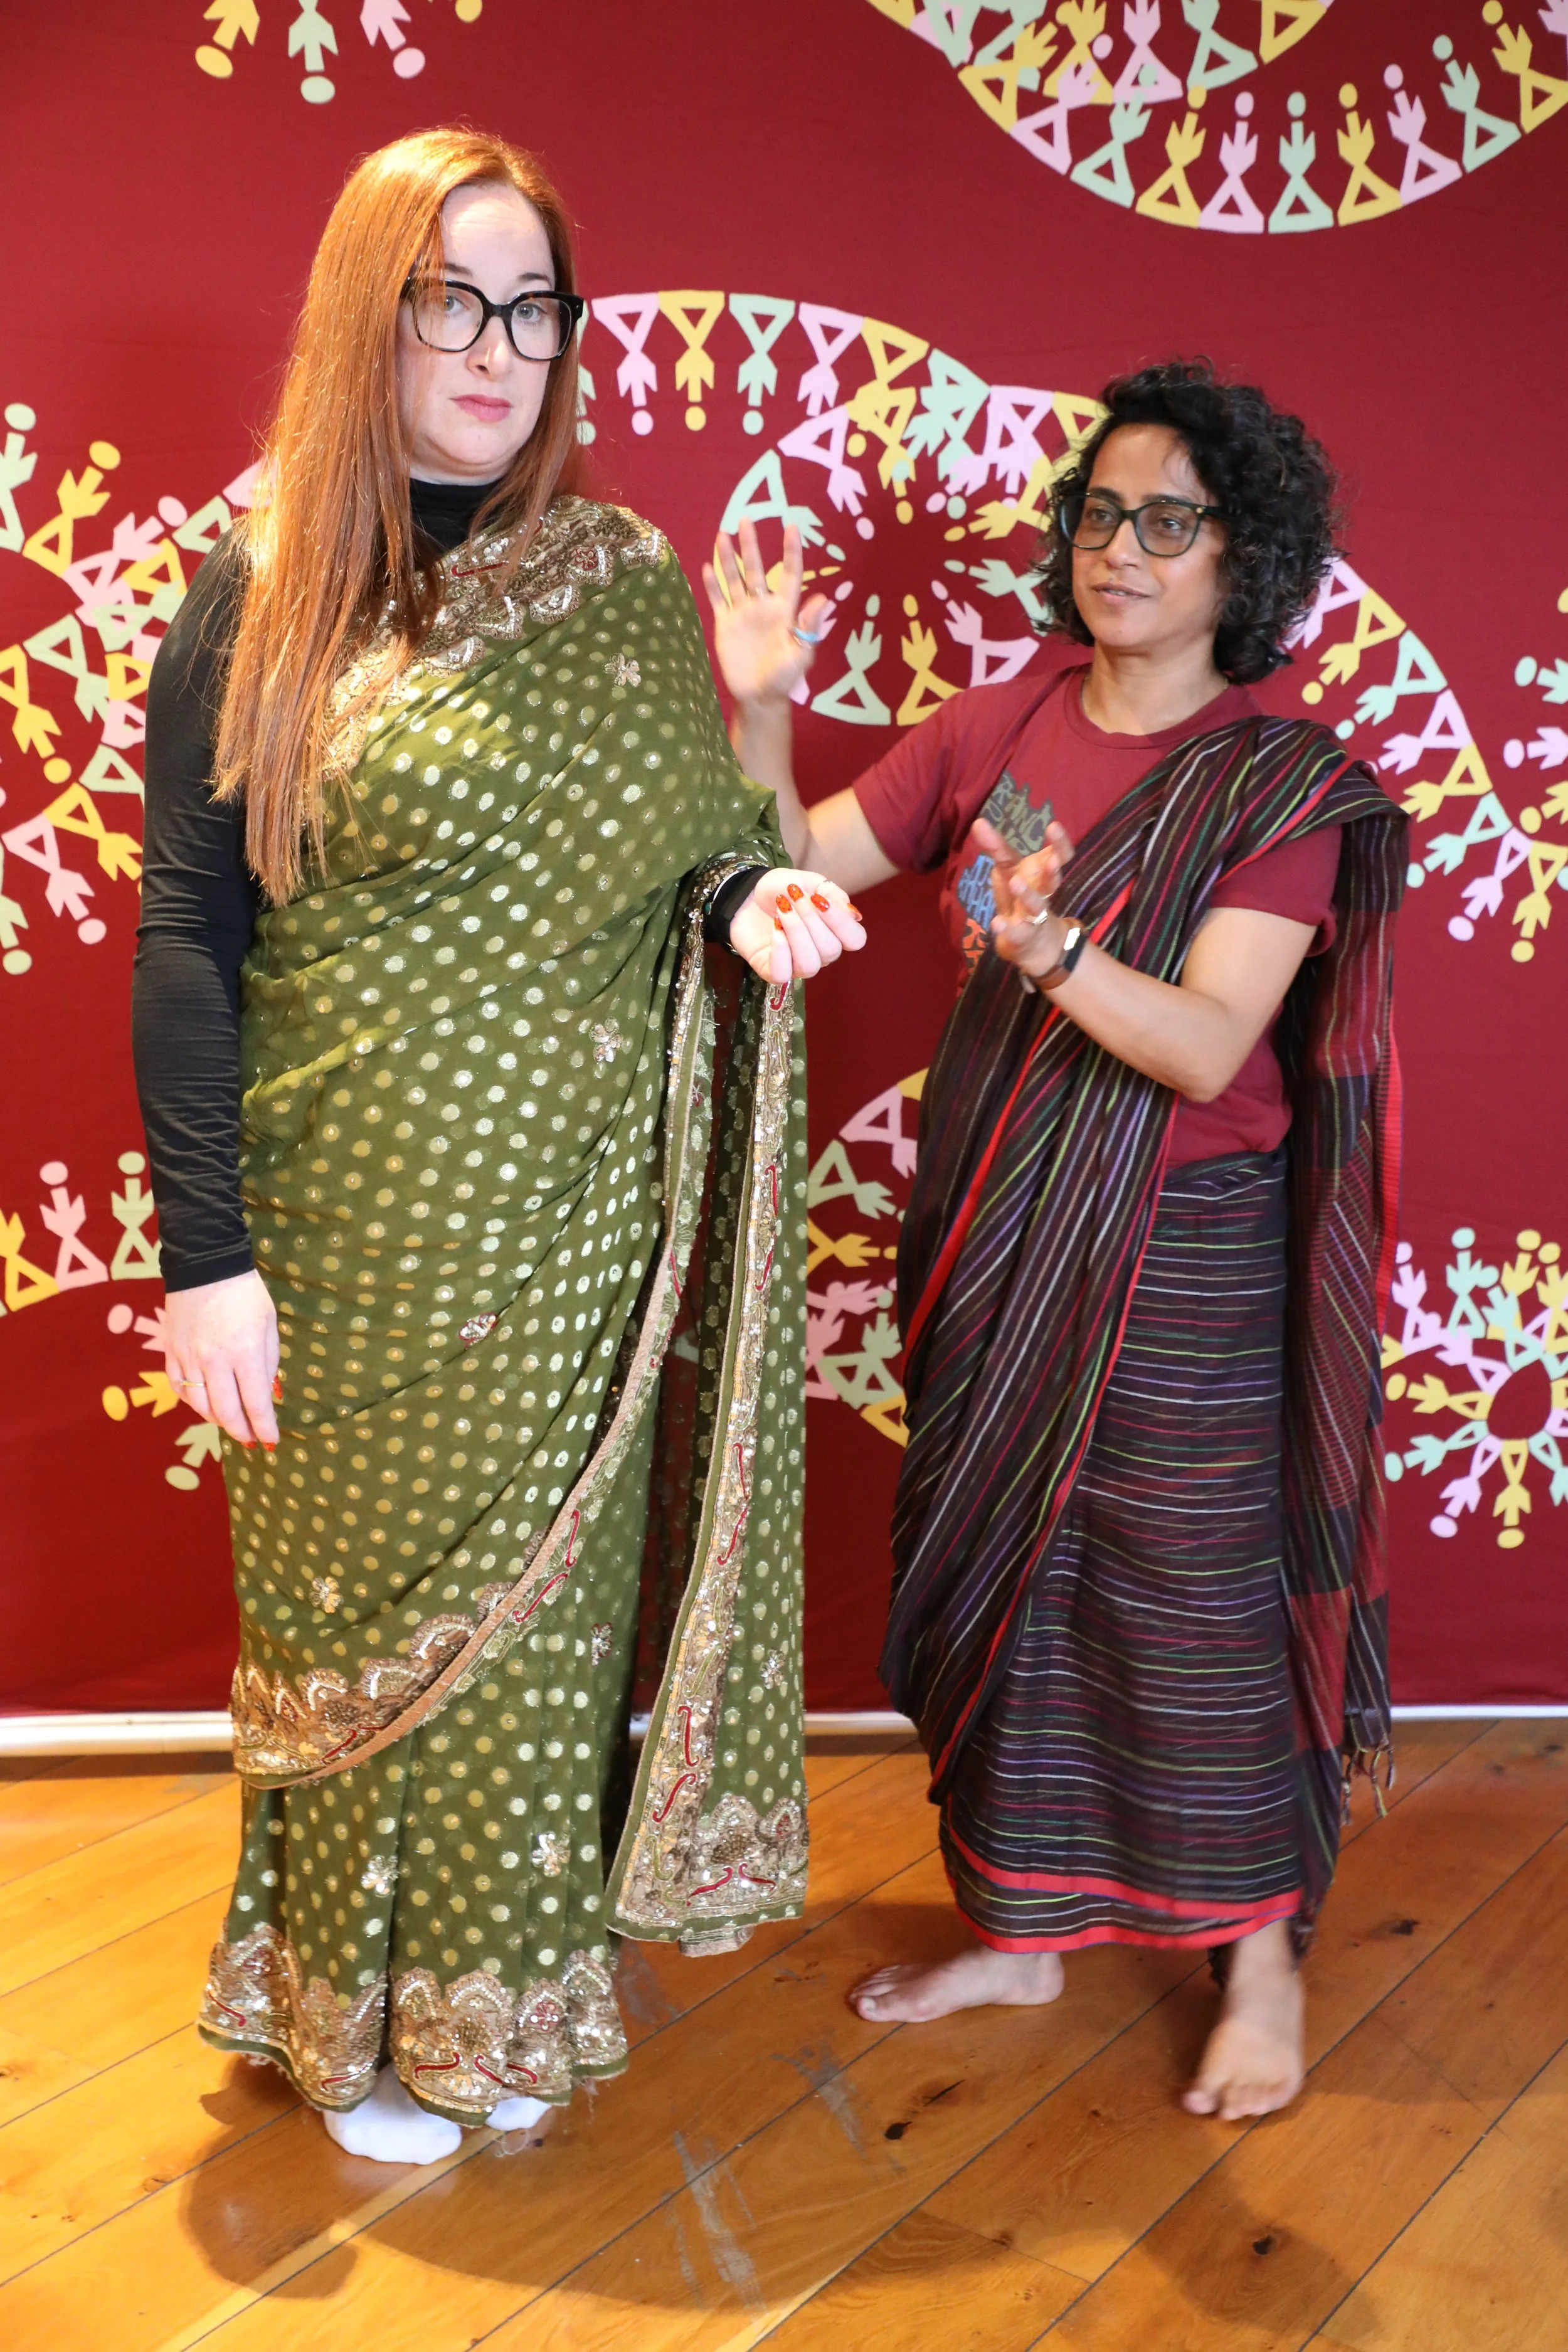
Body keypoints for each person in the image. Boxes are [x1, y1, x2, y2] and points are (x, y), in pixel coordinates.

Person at [134, 127, 864, 2166]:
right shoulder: (263, 579)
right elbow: (191, 929)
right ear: (368, 313)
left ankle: (501, 1998)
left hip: (563, 1233)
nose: (493, 346)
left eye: (531, 306)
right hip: (339, 1226)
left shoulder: (618, 588)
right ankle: (344, 2021)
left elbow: (687, 855)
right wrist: (208, 1252)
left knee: (542, 1651)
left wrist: (755, 903)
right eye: (449, 298)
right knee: (356, 1641)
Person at [706, 359, 1404, 2123]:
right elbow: (791, 857)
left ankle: (1256, 1959)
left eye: (1169, 522)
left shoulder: (1277, 784)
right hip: (1001, 1240)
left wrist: (1049, 955)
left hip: (1185, 1256)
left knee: (1189, 1612)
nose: (1122, 548)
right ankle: (1018, 1926)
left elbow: (1203, 1042)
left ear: (1241, 561)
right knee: (1012, 1589)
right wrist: (763, 705)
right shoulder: (996, 726)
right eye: (1103, 511)